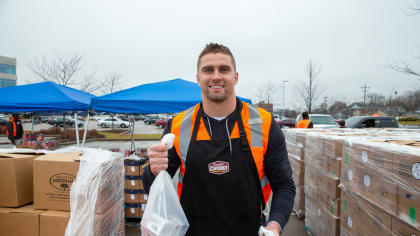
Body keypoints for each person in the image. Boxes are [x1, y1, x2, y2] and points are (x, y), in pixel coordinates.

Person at [142, 43, 295, 236]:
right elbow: (153, 186)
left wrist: (275, 225)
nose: (216, 76)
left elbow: (284, 185)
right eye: (208, 70)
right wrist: (154, 171)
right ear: (198, 78)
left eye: (224, 69)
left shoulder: (263, 123)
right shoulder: (178, 126)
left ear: (235, 77)